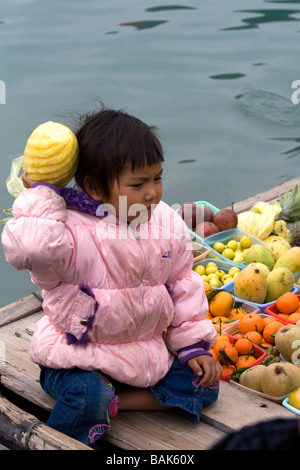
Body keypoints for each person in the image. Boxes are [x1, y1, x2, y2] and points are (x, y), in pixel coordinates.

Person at [1, 106, 221, 448]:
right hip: (78, 359)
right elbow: (29, 249)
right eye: (138, 184)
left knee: (205, 381)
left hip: (144, 356)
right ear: (94, 186)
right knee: (89, 394)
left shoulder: (164, 221)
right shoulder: (68, 232)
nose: (152, 193)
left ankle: (117, 403)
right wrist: (41, 193)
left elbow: (183, 282)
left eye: (157, 178)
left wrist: (192, 345)